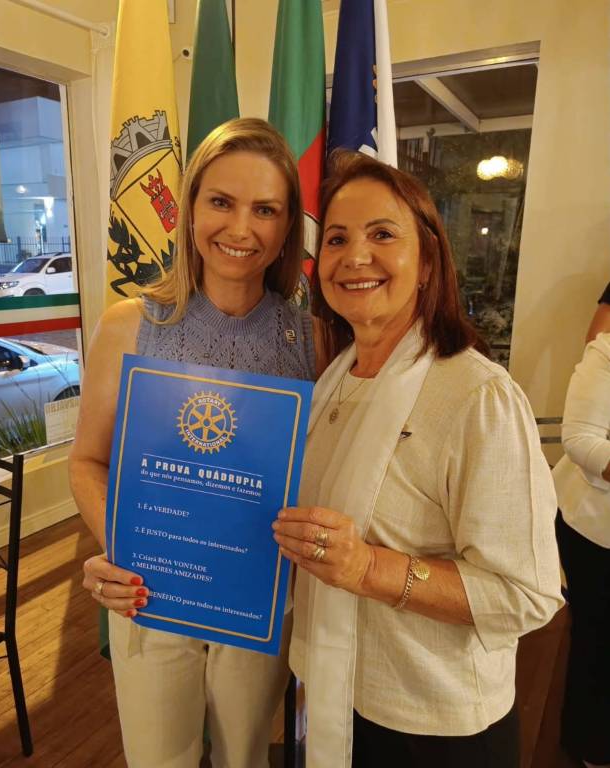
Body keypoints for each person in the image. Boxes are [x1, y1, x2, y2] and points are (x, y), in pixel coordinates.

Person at [272, 151, 563, 768]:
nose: (355, 257)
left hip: (431, 726)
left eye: (383, 235)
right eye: (337, 239)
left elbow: (525, 593)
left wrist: (368, 567)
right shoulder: (330, 384)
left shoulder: (477, 397)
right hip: (330, 693)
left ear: (427, 261)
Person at [69, 118, 318, 768]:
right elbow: (88, 461)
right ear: (189, 208)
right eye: (221, 202)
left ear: (287, 227)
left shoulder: (313, 341)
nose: (240, 228)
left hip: (258, 596)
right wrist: (123, 547)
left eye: (265, 209)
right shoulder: (129, 325)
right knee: (159, 759)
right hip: (152, 589)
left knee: (245, 757)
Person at [553, 334, 610, 768]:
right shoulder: (606, 352)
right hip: (594, 526)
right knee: (598, 644)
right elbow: (579, 438)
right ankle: (591, 748)